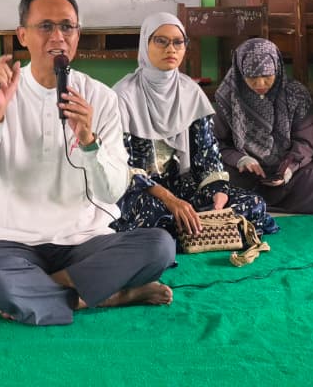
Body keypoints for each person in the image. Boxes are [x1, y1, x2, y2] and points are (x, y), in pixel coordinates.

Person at [0, 0, 176, 326]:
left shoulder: (100, 98)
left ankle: (45, 293)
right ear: (22, 35)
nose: (58, 36)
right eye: (45, 26)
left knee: (160, 246)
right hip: (8, 240)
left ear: (77, 35)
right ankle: (103, 293)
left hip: (82, 239)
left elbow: (111, 192)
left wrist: (89, 142)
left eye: (67, 27)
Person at [112, 14, 277, 239]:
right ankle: (204, 230)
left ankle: (192, 230)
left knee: (253, 204)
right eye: (161, 41)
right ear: (145, 44)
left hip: (183, 187)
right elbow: (120, 166)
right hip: (143, 190)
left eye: (178, 42)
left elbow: (208, 154)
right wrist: (170, 200)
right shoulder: (124, 95)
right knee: (149, 215)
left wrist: (217, 190)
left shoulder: (190, 92)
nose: (171, 49)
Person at [214, 38, 313, 214]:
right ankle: (252, 202)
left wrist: (288, 168)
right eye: (252, 77)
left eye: (267, 76)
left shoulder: (296, 94)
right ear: (240, 72)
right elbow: (218, 142)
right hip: (243, 173)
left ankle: (251, 205)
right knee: (217, 183)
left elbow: (305, 142)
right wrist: (241, 159)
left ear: (277, 68)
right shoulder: (227, 97)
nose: (260, 84)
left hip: (289, 169)